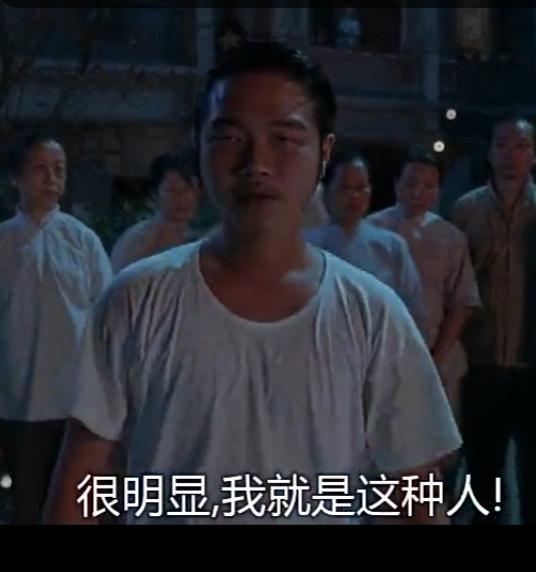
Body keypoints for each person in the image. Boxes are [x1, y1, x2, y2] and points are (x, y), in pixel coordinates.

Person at [44, 42, 460, 525]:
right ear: (199, 144)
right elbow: (81, 486)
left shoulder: (372, 314)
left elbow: (416, 498)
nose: (256, 162)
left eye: (284, 138)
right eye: (229, 137)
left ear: (324, 152)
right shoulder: (137, 298)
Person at [0, 131, 112, 524]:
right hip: (18, 401)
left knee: (81, 507)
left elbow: (106, 318)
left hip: (77, 402)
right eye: (40, 169)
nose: (51, 178)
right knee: (28, 507)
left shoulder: (82, 241)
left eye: (58, 170)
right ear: (16, 177)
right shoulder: (4, 242)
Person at [451, 116, 536, 524]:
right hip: (481, 364)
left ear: (533, 155)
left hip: (533, 363)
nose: (511, 155)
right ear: (489, 152)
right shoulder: (466, 210)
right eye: (502, 144)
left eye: (521, 146)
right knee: (484, 476)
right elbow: (454, 287)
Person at [368, 146, 480, 425]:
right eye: (410, 183)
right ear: (396, 184)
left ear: (438, 190)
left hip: (436, 352)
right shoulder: (371, 230)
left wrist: (436, 358)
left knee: (436, 439)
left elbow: (462, 302)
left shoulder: (450, 237)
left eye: (429, 186)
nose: (418, 192)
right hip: (381, 355)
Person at [306, 151, 426, 333]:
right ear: (327, 191)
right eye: (345, 188)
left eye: (361, 188)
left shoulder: (391, 246)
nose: (354, 196)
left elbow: (413, 311)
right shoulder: (305, 243)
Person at [110, 153, 199, 274]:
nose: (181, 197)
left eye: (187, 189)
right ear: (155, 194)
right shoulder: (139, 238)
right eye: (172, 190)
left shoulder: (198, 237)